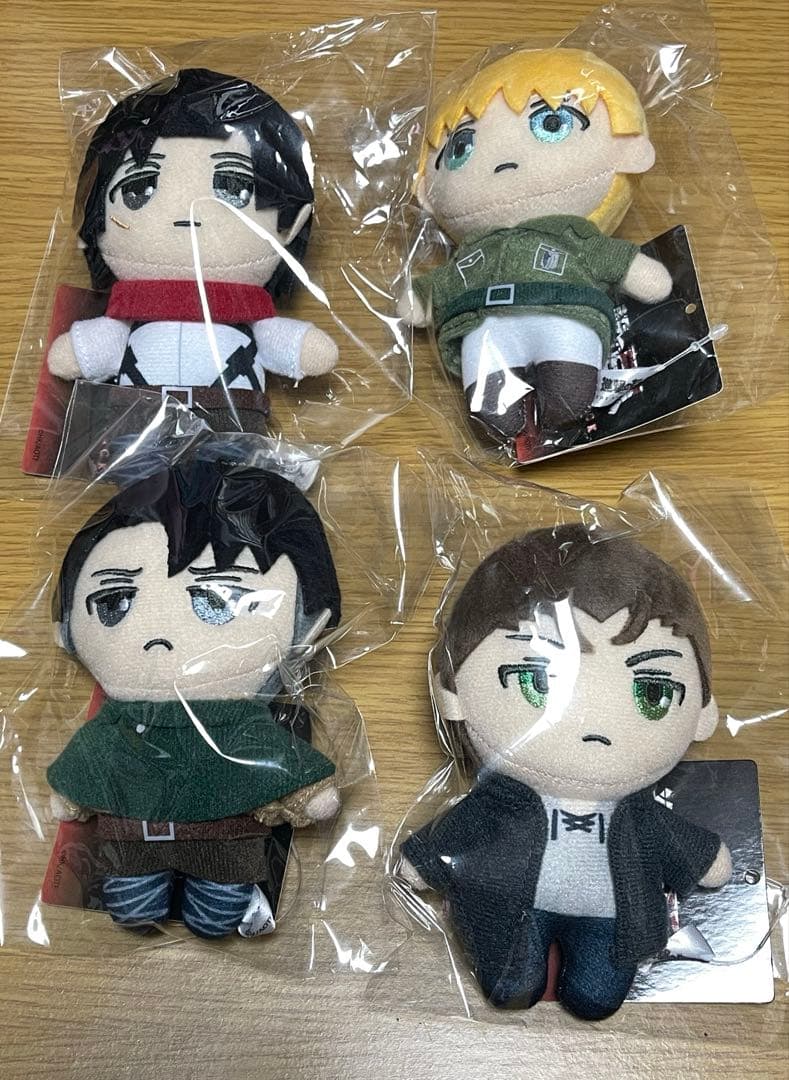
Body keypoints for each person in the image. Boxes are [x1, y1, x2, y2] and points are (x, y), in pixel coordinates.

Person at [399, 524, 732, 1020]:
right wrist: (425, 858)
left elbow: (669, 836)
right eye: (536, 681)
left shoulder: (637, 813)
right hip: (512, 908)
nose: (594, 725)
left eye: (653, 692)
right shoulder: (503, 800)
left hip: (612, 918)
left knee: (597, 993)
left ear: (703, 713)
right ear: (453, 694)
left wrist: (704, 857)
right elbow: (466, 824)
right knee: (512, 981)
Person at [48, 457, 342, 939]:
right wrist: (68, 790)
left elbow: (275, 757)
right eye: (114, 601)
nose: (158, 637)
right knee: (133, 905)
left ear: (307, 626)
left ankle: (207, 908)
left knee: (216, 914)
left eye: (216, 602)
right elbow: (88, 758)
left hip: (224, 844)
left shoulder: (239, 721)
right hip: (136, 842)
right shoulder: (121, 720)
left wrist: (305, 792)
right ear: (68, 631)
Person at [399, 49, 673, 443]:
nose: (502, 162)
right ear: (427, 191)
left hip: (563, 311)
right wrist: (423, 295)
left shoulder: (572, 235)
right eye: (460, 148)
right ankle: (505, 418)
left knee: (568, 389)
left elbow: (607, 256)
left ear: (629, 148)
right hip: (483, 325)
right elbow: (446, 281)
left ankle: (562, 400)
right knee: (492, 407)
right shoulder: (474, 252)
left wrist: (632, 267)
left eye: (551, 123)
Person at [47, 68, 338, 433]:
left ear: (292, 223)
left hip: (231, 418)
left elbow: (284, 342)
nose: (188, 211)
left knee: (231, 459)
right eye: (139, 187)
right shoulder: (128, 311)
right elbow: (102, 342)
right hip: (141, 423)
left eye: (232, 186)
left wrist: (298, 347)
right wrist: (84, 351)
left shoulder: (248, 311)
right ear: (93, 219)